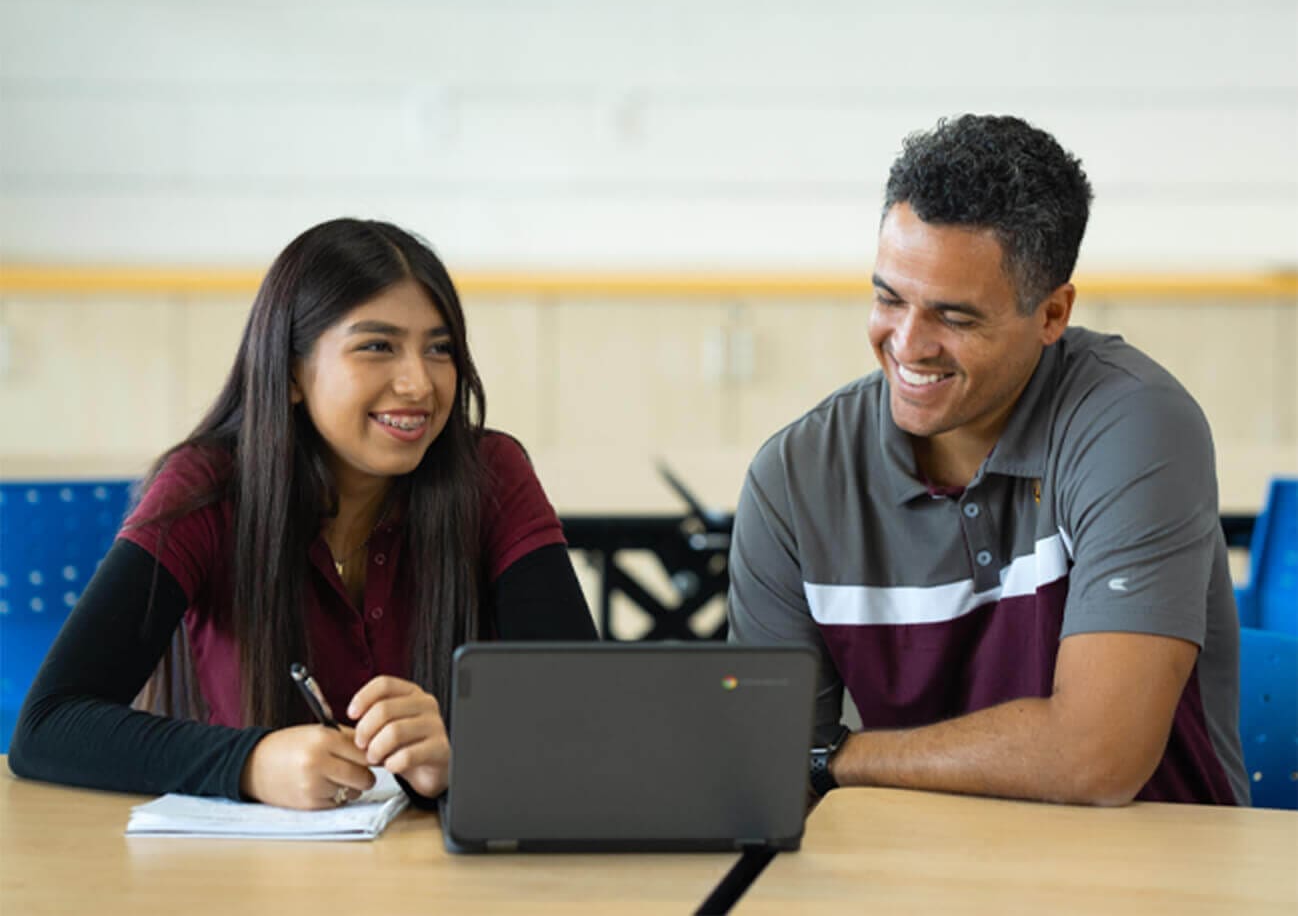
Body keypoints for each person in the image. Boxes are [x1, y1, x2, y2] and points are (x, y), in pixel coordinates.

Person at [727, 115, 1248, 806]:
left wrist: (843, 756)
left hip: (1149, 886)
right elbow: (768, 768)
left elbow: (1097, 759)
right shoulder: (793, 479)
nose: (908, 344)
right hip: (920, 882)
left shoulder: (1136, 425)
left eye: (956, 317)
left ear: (1052, 314)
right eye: (888, 298)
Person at [9, 218, 598, 808]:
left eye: (439, 349)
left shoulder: (491, 472)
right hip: (248, 884)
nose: (419, 383)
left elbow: (596, 716)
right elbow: (48, 726)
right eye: (377, 346)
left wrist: (473, 749)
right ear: (291, 373)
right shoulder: (206, 487)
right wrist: (251, 763)